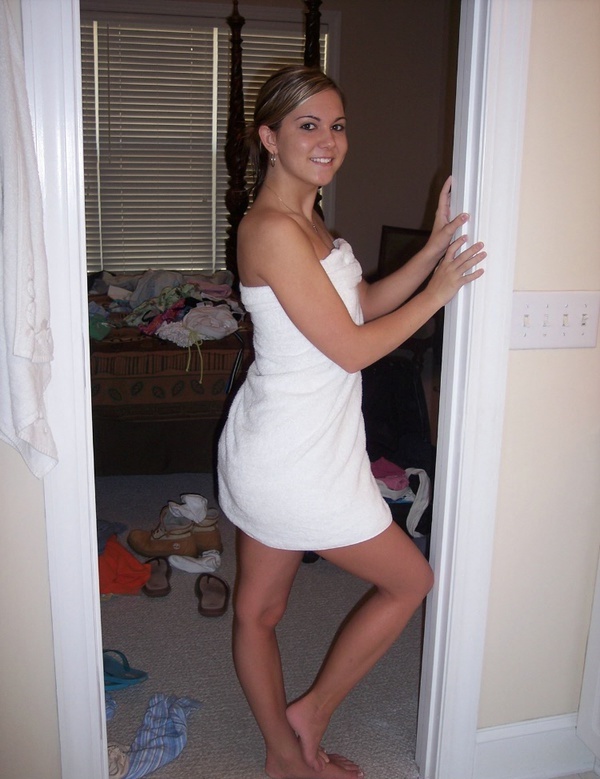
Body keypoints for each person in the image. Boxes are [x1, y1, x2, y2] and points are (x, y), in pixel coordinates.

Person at [218, 65, 485, 779]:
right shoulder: (270, 230)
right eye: (308, 125)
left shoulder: (308, 223)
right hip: (291, 457)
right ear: (269, 138)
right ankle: (300, 729)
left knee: (259, 610)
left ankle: (287, 745)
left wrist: (431, 252)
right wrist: (441, 294)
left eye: (337, 126)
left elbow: (359, 303)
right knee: (408, 580)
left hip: (295, 441)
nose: (328, 141)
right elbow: (354, 348)